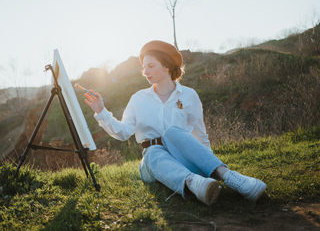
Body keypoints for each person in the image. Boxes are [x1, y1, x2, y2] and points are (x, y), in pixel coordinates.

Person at [83, 40, 266, 205]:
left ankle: (230, 177)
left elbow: (199, 133)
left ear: (167, 67)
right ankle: (194, 184)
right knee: (154, 149)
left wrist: (206, 162)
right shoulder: (138, 98)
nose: (145, 72)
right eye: (143, 67)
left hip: (183, 158)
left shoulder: (189, 95)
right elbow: (122, 132)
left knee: (173, 133)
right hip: (152, 163)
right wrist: (101, 111)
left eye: (151, 66)